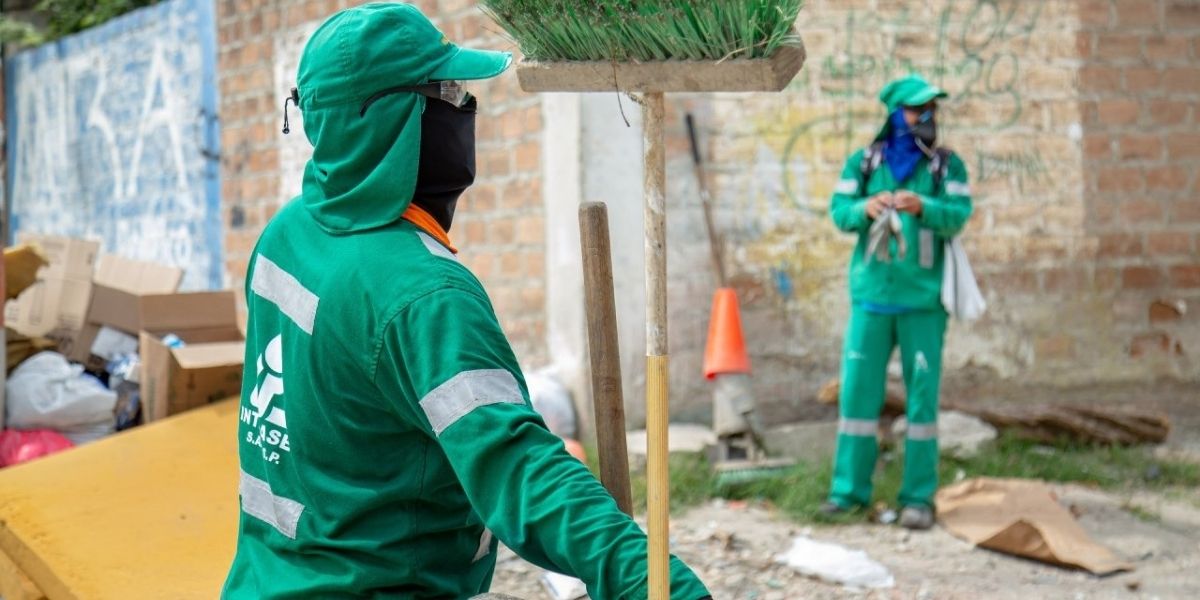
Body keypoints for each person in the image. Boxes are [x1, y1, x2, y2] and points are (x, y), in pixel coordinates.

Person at [221, 4, 711, 599]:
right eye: (448, 91)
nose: (464, 106)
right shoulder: (425, 295)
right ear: (393, 119)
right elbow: (522, 471)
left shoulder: (287, 234)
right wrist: (658, 584)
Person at [823, 74, 974, 530]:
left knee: (922, 403)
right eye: (915, 109)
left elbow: (959, 215)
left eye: (930, 109)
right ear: (894, 113)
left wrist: (925, 207)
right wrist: (865, 208)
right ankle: (847, 494)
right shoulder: (864, 162)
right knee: (857, 396)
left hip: (923, 303)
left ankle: (918, 499)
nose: (925, 117)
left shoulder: (947, 166)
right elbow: (839, 212)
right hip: (871, 300)